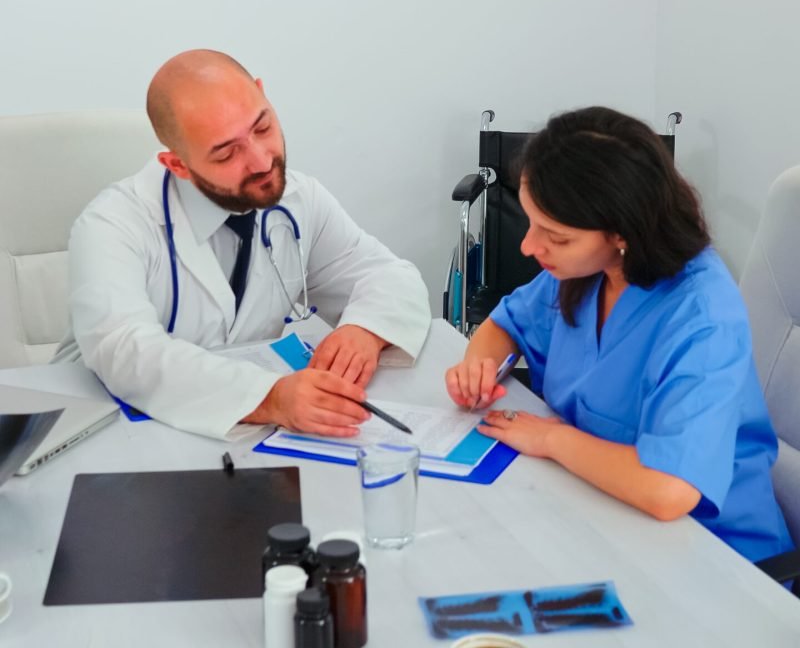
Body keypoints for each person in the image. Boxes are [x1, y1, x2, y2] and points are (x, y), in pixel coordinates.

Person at [445, 106, 793, 563]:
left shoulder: (701, 316)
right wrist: (478, 365)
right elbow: (503, 324)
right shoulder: (585, 270)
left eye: (556, 235)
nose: (529, 247)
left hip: (713, 555)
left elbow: (669, 490)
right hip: (599, 512)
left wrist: (551, 439)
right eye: (531, 223)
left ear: (622, 232)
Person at [54, 49, 430, 440]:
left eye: (262, 127)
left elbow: (388, 275)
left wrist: (364, 331)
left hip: (240, 443)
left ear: (263, 94)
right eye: (227, 152)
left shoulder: (301, 201)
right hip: (102, 432)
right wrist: (269, 398)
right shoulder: (112, 225)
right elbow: (126, 351)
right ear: (177, 165)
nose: (261, 161)